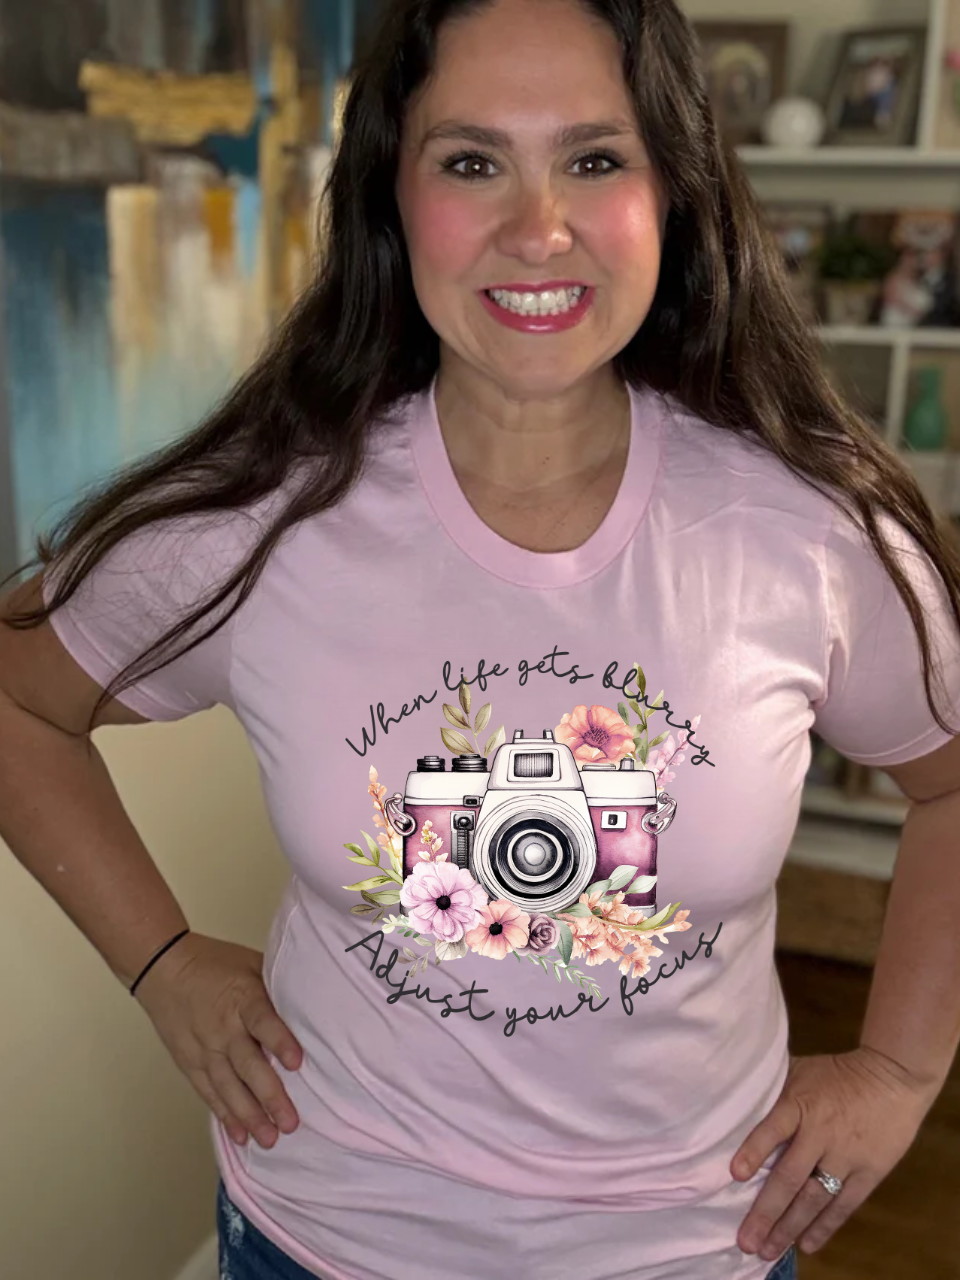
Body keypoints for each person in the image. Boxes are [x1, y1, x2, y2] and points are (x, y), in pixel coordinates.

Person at [2, 1, 960, 1278]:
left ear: (674, 192)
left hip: (695, 1240)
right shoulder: (266, 517)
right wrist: (163, 961)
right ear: (392, 200)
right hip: (325, 1231)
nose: (538, 227)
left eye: (595, 157)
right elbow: (18, 695)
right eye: (471, 161)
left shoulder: (807, 529)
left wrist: (899, 1068)